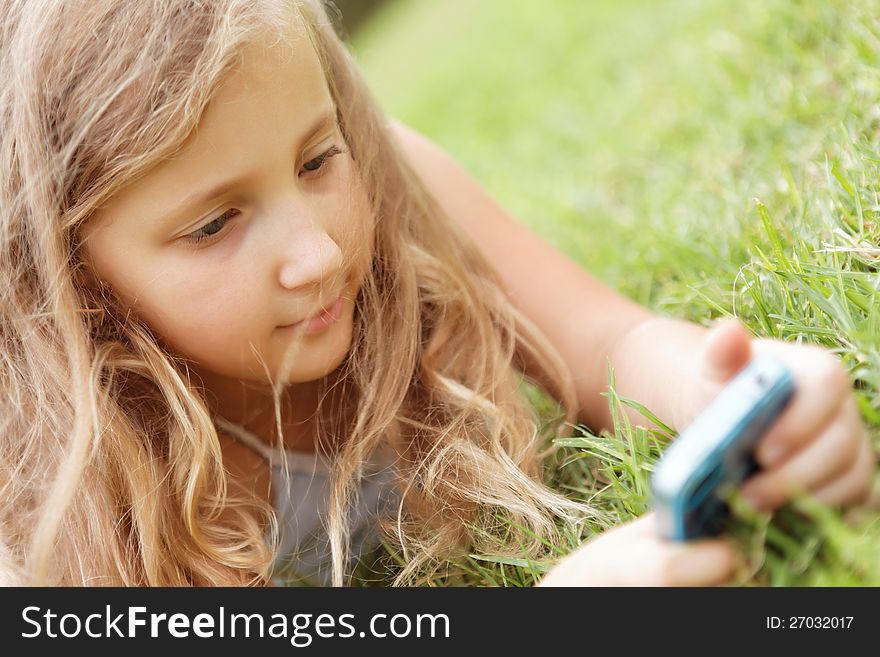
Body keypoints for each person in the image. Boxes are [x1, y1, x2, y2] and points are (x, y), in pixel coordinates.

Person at [0, 0, 873, 587]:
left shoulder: (393, 180)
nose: (316, 251)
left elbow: (605, 343)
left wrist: (714, 391)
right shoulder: (58, 491)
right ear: (75, 281)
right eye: (212, 225)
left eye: (316, 158)